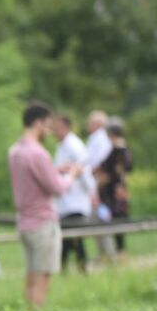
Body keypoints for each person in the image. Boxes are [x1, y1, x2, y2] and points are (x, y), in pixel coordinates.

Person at [8, 102, 83, 308]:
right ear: (38, 123)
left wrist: (55, 169)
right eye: (47, 125)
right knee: (43, 276)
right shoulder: (38, 153)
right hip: (42, 222)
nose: (49, 130)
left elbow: (32, 179)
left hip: (24, 221)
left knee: (31, 274)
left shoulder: (15, 151)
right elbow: (57, 188)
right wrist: (72, 175)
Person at [50, 114, 97, 272]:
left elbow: (84, 169)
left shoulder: (73, 145)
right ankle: (70, 269)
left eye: (56, 128)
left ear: (65, 127)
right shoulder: (62, 145)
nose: (53, 131)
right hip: (66, 200)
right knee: (68, 239)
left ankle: (75, 268)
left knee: (73, 238)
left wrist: (91, 192)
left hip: (75, 200)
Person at [97, 118, 133, 261]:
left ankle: (119, 252)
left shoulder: (119, 149)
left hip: (115, 190)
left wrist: (108, 178)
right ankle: (115, 252)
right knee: (115, 218)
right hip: (114, 189)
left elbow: (121, 169)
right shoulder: (121, 149)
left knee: (117, 218)